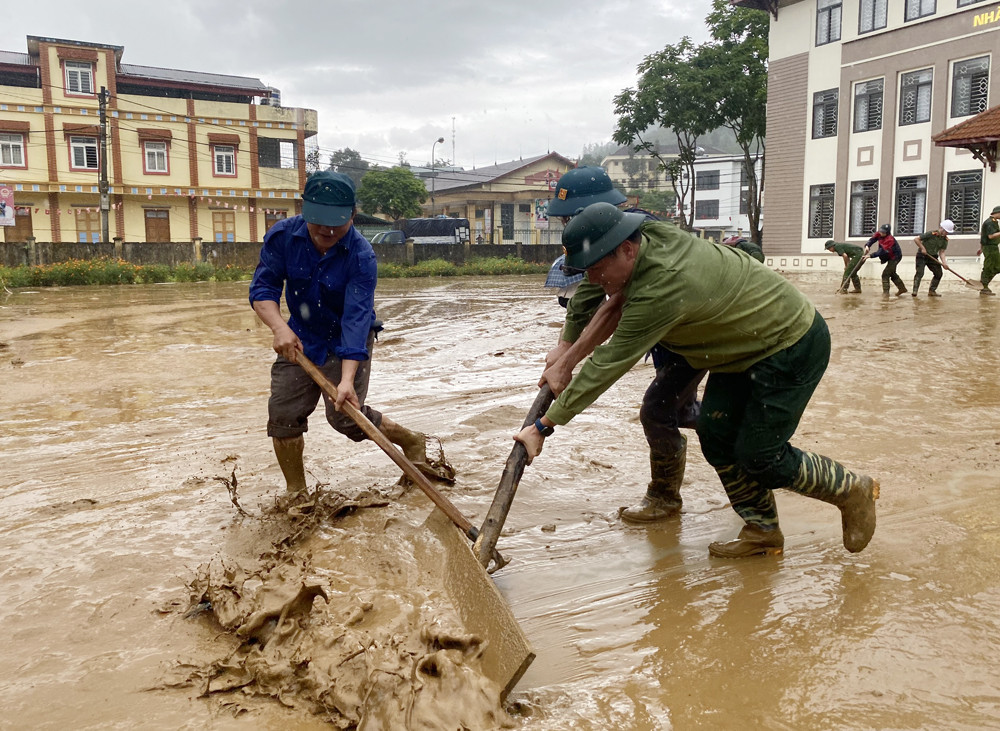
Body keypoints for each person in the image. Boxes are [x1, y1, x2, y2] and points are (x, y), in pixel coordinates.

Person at [516, 202, 879, 558]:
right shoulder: (642, 234)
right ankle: (762, 529)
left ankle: (849, 489)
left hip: (789, 342)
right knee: (715, 434)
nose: (592, 281)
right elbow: (603, 296)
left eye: (595, 270)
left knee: (761, 456)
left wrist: (543, 426)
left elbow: (607, 365)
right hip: (736, 348)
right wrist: (565, 354)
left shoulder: (663, 286)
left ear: (627, 249)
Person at [249, 171, 453, 494]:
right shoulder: (283, 238)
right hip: (298, 337)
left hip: (347, 340)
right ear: (304, 211)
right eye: (319, 221)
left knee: (345, 417)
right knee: (283, 416)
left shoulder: (361, 256)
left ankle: (410, 439)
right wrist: (279, 328)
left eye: (336, 222)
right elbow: (262, 290)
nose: (327, 230)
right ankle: (297, 494)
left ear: (353, 215)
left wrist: (345, 381)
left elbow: (355, 322)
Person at [542, 168, 703, 524]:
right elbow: (589, 288)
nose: (569, 222)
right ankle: (746, 452)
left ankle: (669, 496)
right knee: (681, 411)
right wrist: (564, 346)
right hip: (666, 333)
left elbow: (612, 312)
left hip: (682, 328)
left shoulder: (633, 234)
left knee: (660, 411)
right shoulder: (607, 236)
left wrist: (548, 416)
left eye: (572, 215)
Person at [911, 219, 954, 297]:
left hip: (932, 257)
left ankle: (932, 291)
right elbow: (916, 239)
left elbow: (942, 252)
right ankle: (915, 291)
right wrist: (923, 248)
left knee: (938, 273)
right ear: (941, 228)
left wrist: (944, 263)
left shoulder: (945, 240)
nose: (947, 233)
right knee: (920, 273)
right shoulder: (931, 234)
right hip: (922, 256)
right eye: (946, 231)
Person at [864, 224, 906, 296]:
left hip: (895, 257)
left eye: (883, 232)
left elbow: (882, 251)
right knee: (892, 273)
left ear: (887, 232)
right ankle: (902, 288)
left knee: (885, 274)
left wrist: (870, 256)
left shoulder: (890, 239)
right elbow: (872, 239)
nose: (881, 233)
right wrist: (867, 246)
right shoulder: (879, 233)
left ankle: (886, 293)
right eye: (881, 232)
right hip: (888, 256)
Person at [977, 205, 1000, 296]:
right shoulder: (990, 222)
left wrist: (981, 249)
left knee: (997, 267)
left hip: (993, 247)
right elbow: (990, 236)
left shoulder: (994, 222)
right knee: (988, 266)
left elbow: (984, 236)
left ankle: (983, 283)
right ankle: (984, 286)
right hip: (990, 247)